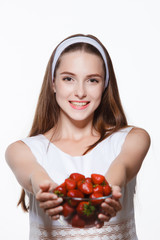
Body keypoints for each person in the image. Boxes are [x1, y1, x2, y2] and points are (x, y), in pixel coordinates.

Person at [5, 34, 150, 240]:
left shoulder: (133, 138)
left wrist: (106, 193)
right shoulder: (21, 150)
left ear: (105, 84)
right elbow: (33, 175)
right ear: (53, 83)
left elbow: (123, 166)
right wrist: (46, 189)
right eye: (68, 79)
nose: (80, 92)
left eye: (92, 80)